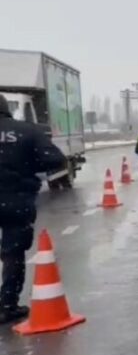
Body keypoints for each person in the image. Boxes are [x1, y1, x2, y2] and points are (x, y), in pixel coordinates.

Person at [0, 94, 67, 324]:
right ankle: (7, 305)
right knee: (13, 254)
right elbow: (56, 159)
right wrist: (27, 166)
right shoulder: (26, 131)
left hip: (14, 199)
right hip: (15, 200)